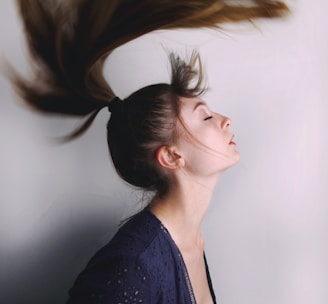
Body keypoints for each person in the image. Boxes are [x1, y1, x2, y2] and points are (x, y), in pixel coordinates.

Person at [9, 1, 289, 303]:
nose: (225, 120)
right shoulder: (132, 264)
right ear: (171, 156)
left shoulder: (191, 243)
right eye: (205, 116)